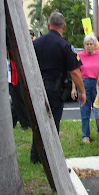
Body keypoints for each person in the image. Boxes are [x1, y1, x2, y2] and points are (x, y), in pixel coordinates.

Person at [31, 12, 86, 163]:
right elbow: (74, 71)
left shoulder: (35, 43)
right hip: (55, 89)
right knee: (53, 123)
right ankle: (50, 158)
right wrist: (82, 91)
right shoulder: (64, 45)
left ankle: (35, 157)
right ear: (64, 27)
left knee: (38, 121)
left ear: (48, 26)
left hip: (37, 87)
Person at [71, 34, 99, 144]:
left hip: (98, 83)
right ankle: (85, 135)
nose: (89, 46)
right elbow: (75, 73)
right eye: (87, 44)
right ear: (84, 45)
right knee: (85, 110)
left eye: (91, 44)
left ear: (95, 45)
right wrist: (73, 88)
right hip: (83, 83)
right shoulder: (78, 55)